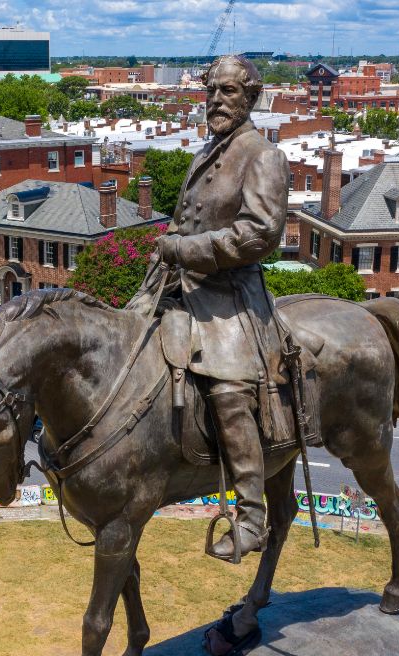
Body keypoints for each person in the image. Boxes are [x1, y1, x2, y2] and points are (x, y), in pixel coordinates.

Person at [125, 55, 288, 561]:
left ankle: (251, 515)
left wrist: (186, 250)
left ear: (251, 97)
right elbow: (186, 219)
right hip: (174, 281)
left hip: (230, 295)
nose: (216, 100)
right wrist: (169, 252)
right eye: (210, 91)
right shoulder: (206, 151)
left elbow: (261, 233)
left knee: (227, 388)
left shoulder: (262, 155)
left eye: (228, 92)